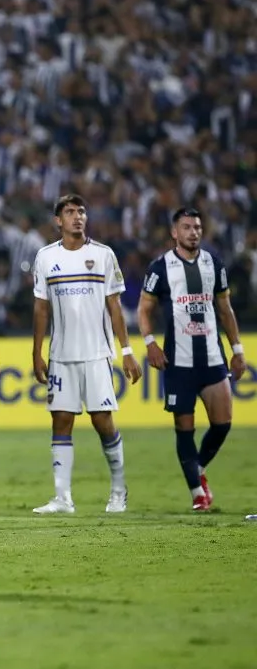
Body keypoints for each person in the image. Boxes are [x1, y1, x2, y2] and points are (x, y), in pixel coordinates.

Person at [31, 194, 143, 514]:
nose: (78, 217)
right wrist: (37, 352)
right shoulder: (45, 257)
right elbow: (41, 308)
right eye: (70, 212)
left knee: (102, 421)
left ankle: (119, 490)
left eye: (81, 211)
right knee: (61, 420)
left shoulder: (104, 255)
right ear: (58, 220)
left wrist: (127, 351)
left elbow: (115, 307)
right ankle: (62, 498)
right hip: (61, 355)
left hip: (96, 353)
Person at [137, 207, 246, 512]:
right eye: (186, 227)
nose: (193, 232)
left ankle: (196, 468)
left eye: (197, 227)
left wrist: (237, 350)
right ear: (175, 232)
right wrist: (150, 344)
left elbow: (225, 309)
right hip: (179, 363)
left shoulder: (214, 263)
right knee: (184, 428)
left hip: (212, 358)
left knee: (222, 424)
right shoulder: (160, 268)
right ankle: (198, 492)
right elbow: (144, 309)